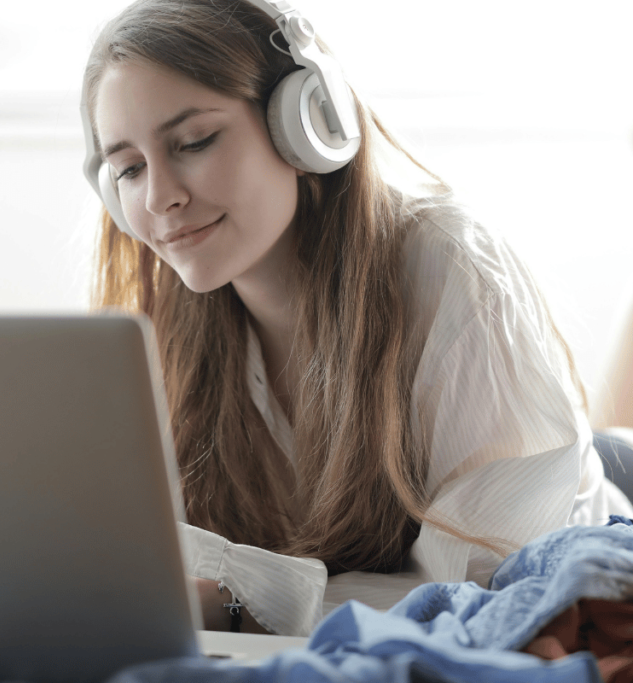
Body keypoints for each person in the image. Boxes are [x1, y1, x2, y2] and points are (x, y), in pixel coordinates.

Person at [79, 0, 633, 637]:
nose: (159, 197)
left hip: (584, 503)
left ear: (306, 122)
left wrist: (234, 603)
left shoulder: (448, 269)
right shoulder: (166, 319)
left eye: (195, 141)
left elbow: (481, 589)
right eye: (128, 169)